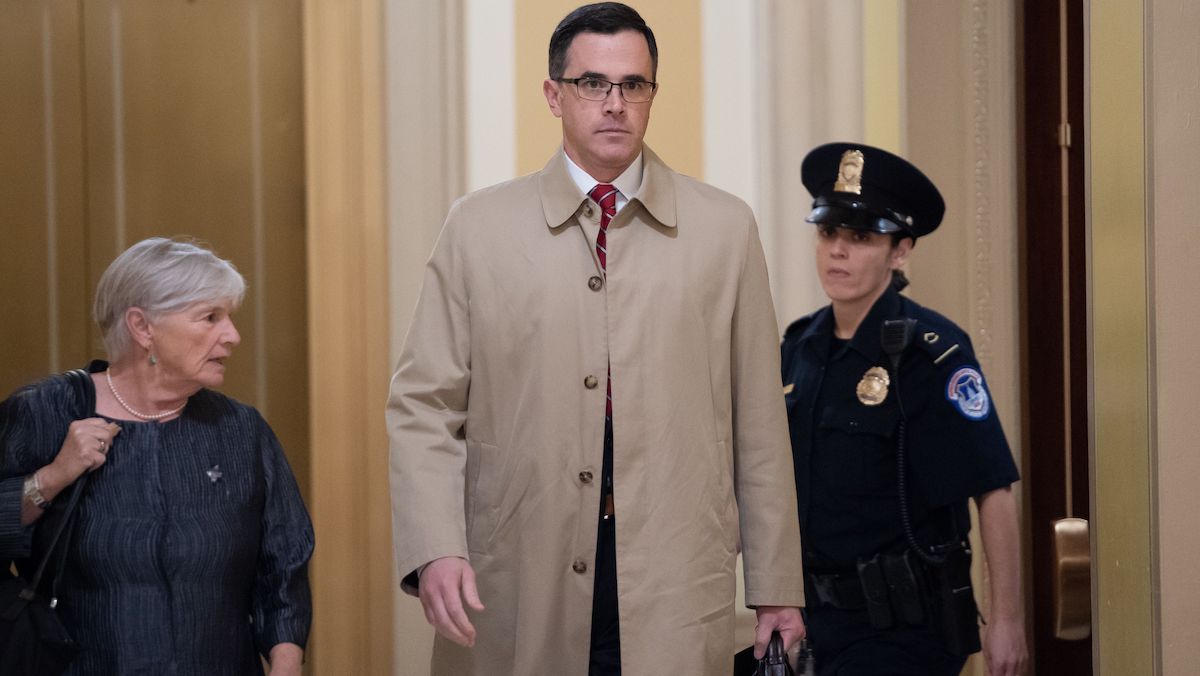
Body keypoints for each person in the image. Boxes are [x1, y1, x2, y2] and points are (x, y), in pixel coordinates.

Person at [387, 3, 805, 674]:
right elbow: (423, 406)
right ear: (554, 94)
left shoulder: (725, 230)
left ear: (651, 96)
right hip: (521, 575)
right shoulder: (478, 228)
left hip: (673, 578)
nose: (614, 103)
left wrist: (777, 587)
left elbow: (758, 422)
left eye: (632, 85)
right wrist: (435, 546)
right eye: (592, 84)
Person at [0, 237, 313, 675]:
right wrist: (53, 477)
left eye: (229, 317)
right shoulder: (45, 412)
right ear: (142, 327)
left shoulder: (240, 429)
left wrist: (286, 664)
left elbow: (283, 567)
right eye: (210, 317)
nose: (233, 336)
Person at [780, 142, 1028, 676]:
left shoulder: (932, 353)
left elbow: (991, 488)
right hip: (816, 623)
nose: (838, 252)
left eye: (861, 238)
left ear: (900, 252)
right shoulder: (799, 349)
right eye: (828, 234)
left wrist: (1008, 618)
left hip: (904, 630)